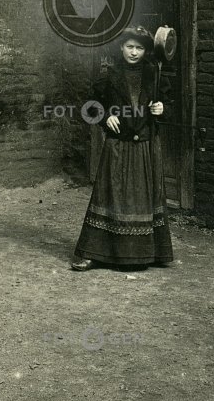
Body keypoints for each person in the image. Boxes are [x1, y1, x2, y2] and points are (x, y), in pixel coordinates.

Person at [70, 25, 175, 270]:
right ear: (121, 47)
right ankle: (94, 253)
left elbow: (168, 106)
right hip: (117, 145)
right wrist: (105, 117)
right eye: (129, 46)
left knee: (143, 198)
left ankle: (148, 253)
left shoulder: (155, 75)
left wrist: (162, 109)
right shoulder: (109, 75)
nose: (134, 52)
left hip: (145, 147)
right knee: (110, 196)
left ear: (146, 50)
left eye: (139, 48)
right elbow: (89, 106)